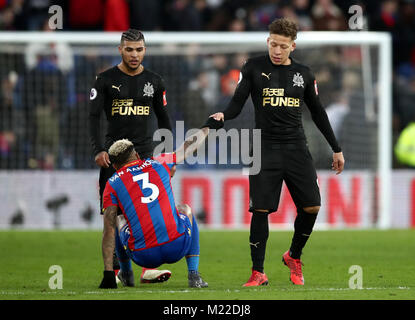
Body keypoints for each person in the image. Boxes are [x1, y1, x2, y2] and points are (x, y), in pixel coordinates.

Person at [210, 18, 345, 286]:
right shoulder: (252, 67)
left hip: (296, 147)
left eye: (283, 46)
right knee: (260, 210)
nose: (277, 50)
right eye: (273, 44)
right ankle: (258, 272)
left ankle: (293, 255)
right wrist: (223, 115)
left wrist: (336, 148)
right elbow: (236, 103)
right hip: (263, 148)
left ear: (292, 46)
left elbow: (318, 113)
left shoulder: (304, 74)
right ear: (268, 41)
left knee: (312, 206)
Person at [89, 29, 173, 283]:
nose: (134, 54)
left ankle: (147, 268)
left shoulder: (155, 81)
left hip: (144, 155)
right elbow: (93, 118)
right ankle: (113, 272)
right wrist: (98, 150)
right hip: (113, 157)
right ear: (120, 50)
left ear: (145, 50)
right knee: (111, 216)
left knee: (146, 213)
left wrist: (166, 153)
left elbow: (164, 117)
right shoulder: (104, 80)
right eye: (129, 49)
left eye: (139, 49)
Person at [98, 117, 223, 288]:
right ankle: (194, 275)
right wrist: (208, 126)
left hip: (143, 256)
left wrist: (107, 273)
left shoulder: (112, 183)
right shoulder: (158, 163)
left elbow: (108, 231)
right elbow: (188, 146)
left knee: (118, 220)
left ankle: (126, 273)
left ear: (114, 166)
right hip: (177, 247)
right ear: (136, 155)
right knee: (185, 209)